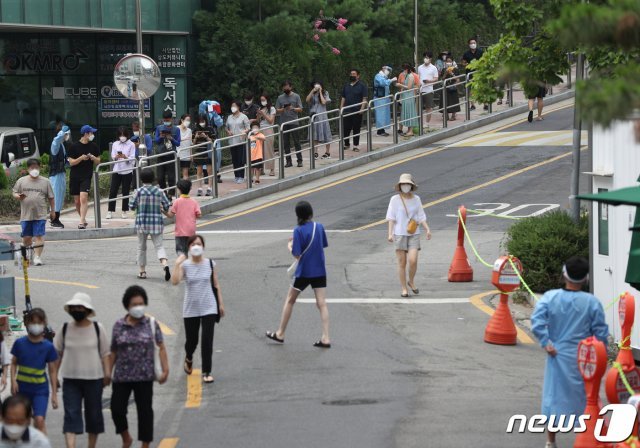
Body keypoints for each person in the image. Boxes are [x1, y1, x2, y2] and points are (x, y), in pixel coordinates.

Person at [531, 257, 609, 448]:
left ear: (564, 274)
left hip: (557, 355)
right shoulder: (592, 302)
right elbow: (601, 334)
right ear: (586, 278)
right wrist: (601, 356)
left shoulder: (551, 297)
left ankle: (551, 441)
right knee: (586, 398)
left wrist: (546, 342)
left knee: (554, 398)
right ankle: (585, 438)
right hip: (585, 358)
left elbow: (537, 320)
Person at [266, 201, 331, 348]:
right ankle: (326, 337)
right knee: (322, 303)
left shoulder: (298, 230)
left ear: (298, 215)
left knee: (290, 300)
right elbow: (322, 245)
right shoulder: (319, 227)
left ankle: (280, 333)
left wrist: (290, 245)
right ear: (310, 212)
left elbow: (297, 254)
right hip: (320, 270)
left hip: (304, 272)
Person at [110, 285, 169, 448]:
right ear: (127, 306)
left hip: (144, 376)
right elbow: (113, 351)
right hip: (122, 376)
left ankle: (145, 445)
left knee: (145, 413)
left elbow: (161, 346)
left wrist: (166, 370)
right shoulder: (118, 325)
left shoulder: (151, 324)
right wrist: (107, 373)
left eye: (141, 303)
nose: (138, 307)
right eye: (134, 304)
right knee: (117, 410)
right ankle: (126, 438)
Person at [53, 293, 110, 448]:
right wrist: (54, 377)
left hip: (94, 379)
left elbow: (105, 354)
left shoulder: (98, 329)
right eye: (74, 307)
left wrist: (107, 373)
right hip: (70, 380)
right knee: (71, 415)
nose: (77, 309)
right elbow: (55, 355)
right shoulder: (64, 329)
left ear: (87, 309)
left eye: (80, 307)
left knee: (93, 415)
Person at [171, 235, 225, 384]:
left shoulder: (210, 264)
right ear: (189, 247)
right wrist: (177, 265)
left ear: (203, 247)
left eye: (199, 244)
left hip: (209, 306)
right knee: (192, 340)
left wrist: (220, 304)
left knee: (207, 340)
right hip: (191, 308)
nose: (196, 246)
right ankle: (189, 357)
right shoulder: (185, 265)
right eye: (193, 244)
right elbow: (175, 281)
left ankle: (207, 371)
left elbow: (216, 285)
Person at [10, 308, 58, 435]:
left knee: (39, 420)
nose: (35, 325)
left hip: (40, 390)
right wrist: (13, 381)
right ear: (27, 323)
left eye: (39, 322)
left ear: (44, 323)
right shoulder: (20, 344)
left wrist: (54, 394)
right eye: (33, 322)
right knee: (23, 422)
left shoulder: (48, 346)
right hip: (22, 390)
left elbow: (52, 371)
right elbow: (13, 363)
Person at [386, 173, 432, 297]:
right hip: (399, 234)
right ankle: (404, 288)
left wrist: (427, 229)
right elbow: (391, 217)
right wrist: (390, 234)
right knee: (402, 263)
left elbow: (421, 216)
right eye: (403, 184)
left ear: (411, 186)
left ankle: (411, 281)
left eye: (407, 184)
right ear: (400, 186)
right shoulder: (395, 199)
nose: (405, 186)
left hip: (413, 233)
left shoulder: (416, 199)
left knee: (413, 260)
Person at [129, 168, 171, 281]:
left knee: (141, 247)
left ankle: (142, 272)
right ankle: (165, 264)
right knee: (159, 246)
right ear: (153, 179)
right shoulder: (160, 191)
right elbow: (167, 205)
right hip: (156, 223)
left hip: (142, 223)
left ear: (141, 179)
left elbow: (131, 206)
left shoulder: (138, 191)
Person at [11, 159, 55, 266]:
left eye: (36, 167)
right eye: (32, 167)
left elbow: (51, 198)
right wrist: (17, 196)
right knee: (27, 238)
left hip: (40, 214)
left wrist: (53, 211)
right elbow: (14, 192)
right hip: (26, 214)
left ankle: (37, 257)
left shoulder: (46, 182)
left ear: (40, 168)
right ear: (28, 169)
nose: (34, 169)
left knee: (39, 236)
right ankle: (25, 253)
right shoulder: (21, 181)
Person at [67, 125, 100, 229]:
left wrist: (93, 158)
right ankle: (83, 218)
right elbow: (71, 162)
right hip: (75, 176)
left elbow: (98, 161)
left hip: (86, 175)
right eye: (91, 133)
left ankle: (81, 221)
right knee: (77, 201)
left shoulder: (94, 146)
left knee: (83, 197)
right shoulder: (73, 146)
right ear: (86, 134)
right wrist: (81, 158)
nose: (92, 135)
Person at [166, 179, 201, 256]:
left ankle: (183, 263)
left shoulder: (177, 201)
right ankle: (186, 263)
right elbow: (199, 215)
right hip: (191, 230)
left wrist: (163, 211)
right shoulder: (194, 201)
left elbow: (170, 215)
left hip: (180, 231)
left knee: (180, 250)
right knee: (187, 250)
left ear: (179, 190)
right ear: (190, 189)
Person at [107, 127, 136, 220]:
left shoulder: (131, 144)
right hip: (117, 169)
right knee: (113, 190)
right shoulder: (115, 144)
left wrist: (125, 157)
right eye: (120, 135)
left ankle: (124, 210)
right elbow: (112, 156)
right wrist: (116, 157)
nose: (122, 137)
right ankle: (110, 211)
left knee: (125, 191)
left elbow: (132, 158)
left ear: (127, 135)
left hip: (127, 170)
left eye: (124, 135)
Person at [275, 81, 304, 168]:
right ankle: (288, 161)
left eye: (287, 87)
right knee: (286, 143)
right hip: (284, 123)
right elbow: (276, 110)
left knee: (296, 142)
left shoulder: (296, 96)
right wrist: (283, 109)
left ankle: (299, 160)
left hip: (294, 122)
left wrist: (293, 108)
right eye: (284, 87)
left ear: (291, 87)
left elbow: (301, 109)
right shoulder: (280, 98)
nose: (285, 88)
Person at [153, 111, 180, 200]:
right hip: (161, 155)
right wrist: (160, 136)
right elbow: (156, 141)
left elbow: (178, 143)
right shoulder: (159, 128)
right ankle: (164, 193)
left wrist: (171, 138)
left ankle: (170, 194)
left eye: (167, 120)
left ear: (171, 119)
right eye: (164, 120)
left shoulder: (176, 129)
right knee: (160, 177)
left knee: (171, 177)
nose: (166, 122)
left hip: (171, 155)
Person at [340, 69, 368, 152]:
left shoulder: (362, 86)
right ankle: (347, 144)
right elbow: (343, 97)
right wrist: (341, 108)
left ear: (358, 76)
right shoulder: (346, 85)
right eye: (351, 74)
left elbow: (364, 98)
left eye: (354, 74)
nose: (352, 75)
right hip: (347, 111)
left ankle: (355, 145)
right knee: (346, 128)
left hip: (357, 111)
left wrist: (362, 109)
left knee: (356, 128)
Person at [48, 122, 70, 228]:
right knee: (55, 197)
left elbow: (63, 159)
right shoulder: (55, 144)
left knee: (60, 197)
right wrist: (62, 131)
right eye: (66, 134)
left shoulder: (62, 145)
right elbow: (56, 140)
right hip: (55, 174)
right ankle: (53, 220)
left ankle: (57, 218)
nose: (67, 136)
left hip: (61, 173)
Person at [225, 101, 251, 184]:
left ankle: (241, 176)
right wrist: (228, 132)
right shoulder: (229, 117)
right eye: (231, 106)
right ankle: (236, 175)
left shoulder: (244, 117)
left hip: (241, 141)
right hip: (232, 141)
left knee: (240, 160)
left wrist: (245, 131)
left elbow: (248, 128)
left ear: (238, 107)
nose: (232, 107)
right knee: (234, 159)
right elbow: (226, 127)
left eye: (234, 106)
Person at [193, 114, 219, 195]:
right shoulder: (195, 129)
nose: (201, 123)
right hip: (199, 152)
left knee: (209, 171)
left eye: (203, 121)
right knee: (199, 172)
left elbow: (214, 141)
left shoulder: (210, 129)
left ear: (205, 121)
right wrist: (196, 137)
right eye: (200, 121)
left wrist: (206, 137)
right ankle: (199, 189)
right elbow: (193, 143)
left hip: (208, 152)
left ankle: (209, 188)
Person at [306, 81, 332, 160]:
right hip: (314, 116)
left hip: (323, 116)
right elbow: (307, 100)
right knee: (314, 134)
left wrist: (320, 91)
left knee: (326, 133)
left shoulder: (325, 93)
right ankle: (315, 152)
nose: (317, 86)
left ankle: (327, 152)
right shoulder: (313, 93)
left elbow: (324, 102)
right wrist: (312, 91)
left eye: (318, 85)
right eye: (315, 85)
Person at [373, 65, 397, 137]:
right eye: (387, 70)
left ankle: (382, 130)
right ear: (383, 69)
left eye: (389, 71)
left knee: (384, 115)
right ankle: (380, 131)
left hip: (385, 98)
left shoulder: (384, 77)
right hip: (379, 98)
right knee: (380, 114)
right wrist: (391, 80)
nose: (388, 72)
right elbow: (382, 83)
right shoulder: (378, 76)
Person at [417, 52, 439, 128]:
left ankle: (427, 123)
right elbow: (418, 77)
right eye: (425, 57)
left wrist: (429, 81)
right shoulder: (420, 67)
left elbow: (436, 78)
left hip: (429, 89)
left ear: (430, 59)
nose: (426, 59)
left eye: (427, 57)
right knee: (418, 107)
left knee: (428, 107)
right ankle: (419, 122)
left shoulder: (433, 68)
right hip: (420, 89)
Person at [256, 94, 276, 176]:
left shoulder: (272, 108)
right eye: (261, 100)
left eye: (263, 100)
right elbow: (258, 121)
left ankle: (272, 169)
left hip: (268, 129)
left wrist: (263, 114)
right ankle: (261, 169)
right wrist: (258, 115)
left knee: (269, 150)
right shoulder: (261, 109)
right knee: (260, 151)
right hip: (260, 129)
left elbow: (271, 121)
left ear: (267, 100)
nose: (262, 101)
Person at [397, 64, 419, 138]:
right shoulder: (407, 76)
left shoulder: (410, 76)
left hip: (409, 96)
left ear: (406, 69)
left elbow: (409, 87)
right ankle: (409, 130)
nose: (403, 72)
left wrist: (400, 85)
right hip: (405, 96)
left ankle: (411, 130)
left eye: (404, 70)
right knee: (406, 112)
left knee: (410, 112)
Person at [462, 38, 484, 111]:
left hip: (480, 72)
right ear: (469, 45)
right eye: (471, 43)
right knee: (471, 90)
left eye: (474, 43)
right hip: (470, 73)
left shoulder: (480, 51)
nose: (473, 44)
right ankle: (473, 105)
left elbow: (484, 60)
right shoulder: (466, 53)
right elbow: (463, 63)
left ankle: (486, 104)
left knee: (482, 88)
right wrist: (467, 65)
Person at [442, 57, 462, 121]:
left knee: (454, 101)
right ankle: (446, 115)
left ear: (452, 62)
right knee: (445, 101)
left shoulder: (456, 69)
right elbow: (442, 79)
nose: (448, 63)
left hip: (453, 87)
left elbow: (458, 79)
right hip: (446, 86)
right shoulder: (444, 69)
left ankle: (453, 115)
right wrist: (446, 73)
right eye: (447, 61)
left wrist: (452, 74)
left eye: (450, 61)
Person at [177, 114, 193, 180]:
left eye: (189, 120)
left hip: (186, 155)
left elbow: (190, 144)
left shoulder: (189, 130)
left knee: (185, 174)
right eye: (187, 120)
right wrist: (184, 139)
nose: (188, 122)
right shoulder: (177, 128)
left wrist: (191, 154)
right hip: (178, 154)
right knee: (177, 173)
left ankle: (184, 189)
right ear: (182, 120)